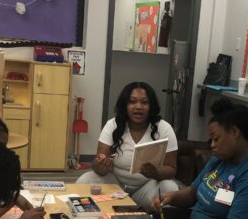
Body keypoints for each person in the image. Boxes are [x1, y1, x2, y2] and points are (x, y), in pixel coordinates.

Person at [76, 82, 178, 211]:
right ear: (125, 105)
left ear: (151, 106)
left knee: (170, 188)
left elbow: (172, 169)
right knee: (85, 179)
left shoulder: (164, 128)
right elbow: (97, 166)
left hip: (147, 187)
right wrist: (102, 165)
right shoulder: (112, 125)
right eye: (132, 102)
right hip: (115, 186)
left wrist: (156, 172)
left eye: (145, 102)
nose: (138, 107)